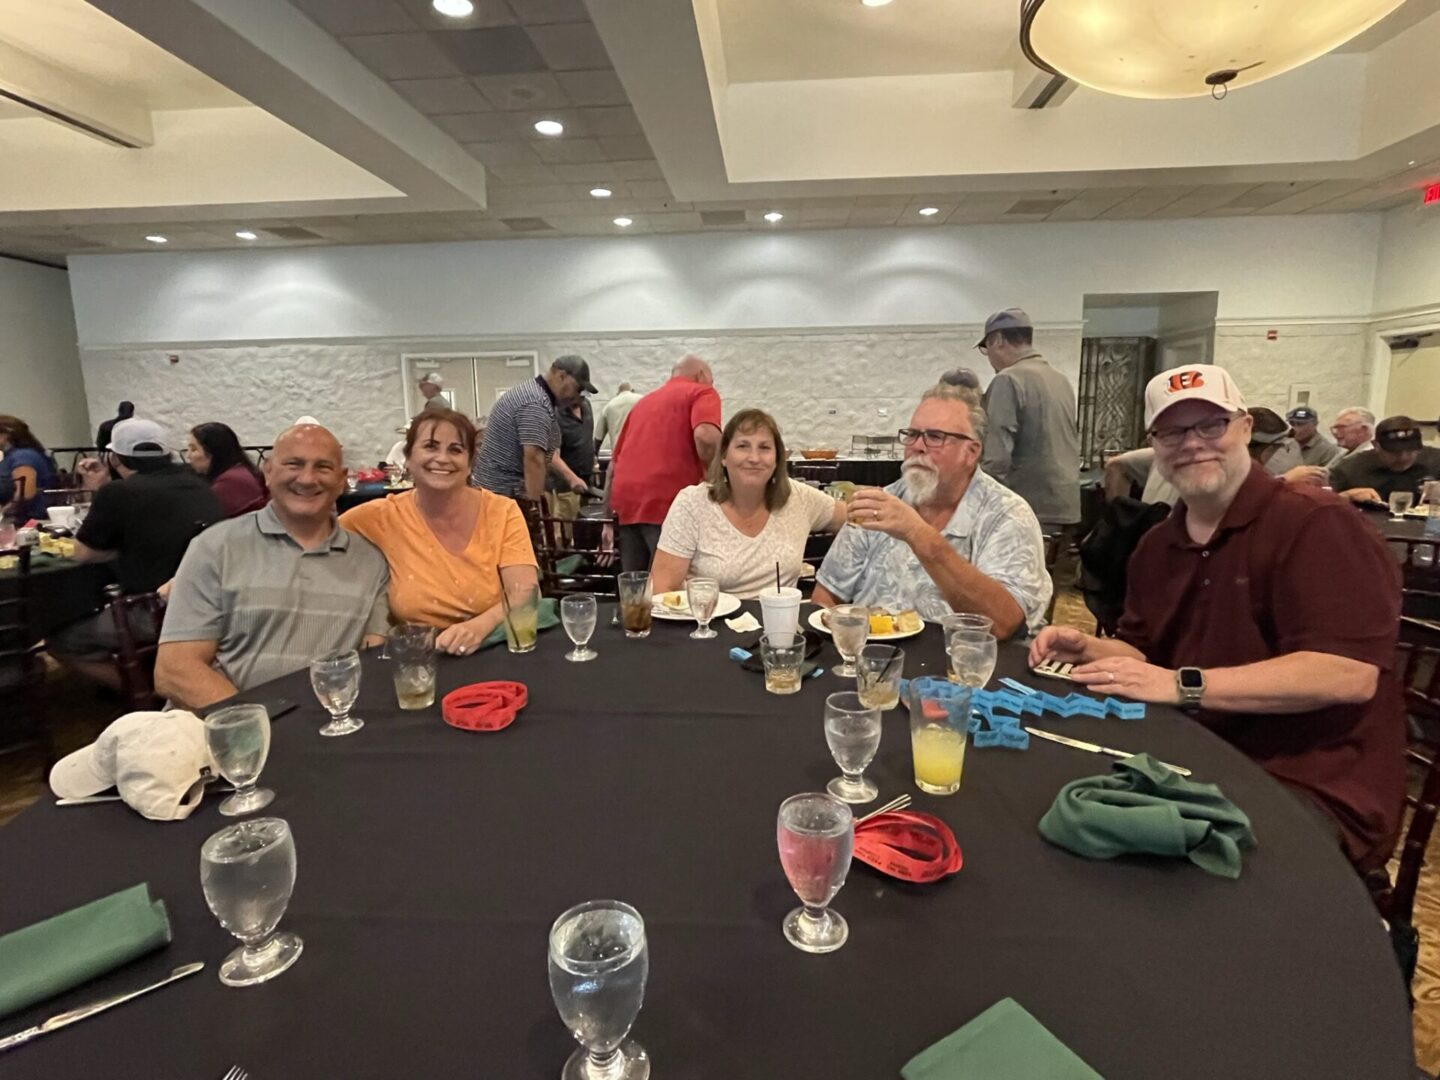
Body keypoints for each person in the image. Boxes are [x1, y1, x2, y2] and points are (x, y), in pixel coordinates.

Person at [1029, 363, 1403, 872]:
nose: (1193, 443)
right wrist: (1089, 648)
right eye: (1173, 430)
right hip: (1195, 760)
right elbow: (1145, 653)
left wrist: (1184, 686)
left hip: (1309, 785)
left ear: (1246, 430)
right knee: (1060, 827)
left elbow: (1348, 673)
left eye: (1212, 425)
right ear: (1155, 445)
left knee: (1149, 876)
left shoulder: (1317, 523)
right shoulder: (1160, 544)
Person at [155, 423, 391, 708]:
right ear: (267, 471)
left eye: (323, 467)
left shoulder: (369, 562)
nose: (306, 478)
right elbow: (174, 671)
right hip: (218, 726)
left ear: (342, 480)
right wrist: (259, 727)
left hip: (321, 729)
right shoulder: (215, 547)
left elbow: (374, 659)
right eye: (294, 464)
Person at [813, 384, 1052, 639]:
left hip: (959, 666)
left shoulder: (1006, 515)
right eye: (913, 434)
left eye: (935, 437)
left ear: (971, 452)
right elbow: (826, 595)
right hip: (868, 660)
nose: (918, 446)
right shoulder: (879, 502)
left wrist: (916, 532)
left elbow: (1003, 624)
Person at [340, 408, 538, 656]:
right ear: (408, 458)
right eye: (431, 446)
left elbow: (525, 592)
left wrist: (478, 627)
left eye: (455, 450)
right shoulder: (380, 517)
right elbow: (320, 535)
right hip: (419, 663)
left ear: (469, 463)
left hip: (495, 650)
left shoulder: (502, 512)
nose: (442, 458)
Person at [50, 418, 223, 688]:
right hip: (211, 600)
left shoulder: (119, 492)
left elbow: (83, 553)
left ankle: (149, 689)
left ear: (116, 458)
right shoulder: (198, 482)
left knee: (62, 639)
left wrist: (105, 491)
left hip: (154, 609)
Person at [651, 409, 846, 599]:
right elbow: (662, 588)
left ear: (777, 459)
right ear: (724, 457)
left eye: (764, 448)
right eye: (743, 446)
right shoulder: (692, 504)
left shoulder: (800, 498)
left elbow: (855, 519)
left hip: (779, 627)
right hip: (707, 626)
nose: (754, 458)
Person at [609, 356, 722, 572]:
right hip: (668, 501)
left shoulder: (643, 403)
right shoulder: (701, 391)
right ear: (701, 376)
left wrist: (608, 516)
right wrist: (717, 476)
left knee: (636, 586)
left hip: (627, 504)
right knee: (672, 586)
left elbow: (614, 465)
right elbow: (706, 437)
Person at [977, 308, 1081, 531]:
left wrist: (980, 506)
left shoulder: (1008, 380)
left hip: (1028, 508)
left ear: (997, 340)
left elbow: (997, 458)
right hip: (1066, 505)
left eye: (986, 349)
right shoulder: (1060, 379)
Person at [469, 355, 595, 502]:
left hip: (498, 491)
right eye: (577, 388)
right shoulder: (536, 403)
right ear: (561, 376)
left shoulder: (536, 395)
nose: (577, 395)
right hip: (502, 493)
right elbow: (534, 458)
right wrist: (535, 506)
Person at [1330, 416, 1440, 505]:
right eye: (1394, 452)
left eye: (1411, 451)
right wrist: (1347, 496)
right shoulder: (1350, 467)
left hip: (1426, 529)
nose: (1403, 458)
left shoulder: (1435, 461)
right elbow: (1323, 504)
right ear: (1376, 446)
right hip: (1367, 528)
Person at [185, 422, 268, 518]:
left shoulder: (231, 482)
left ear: (214, 451)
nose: (188, 456)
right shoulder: (238, 472)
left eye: (194, 449)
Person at [545, 393, 596, 521]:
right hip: (565, 488)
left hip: (586, 484)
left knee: (584, 532)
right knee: (567, 533)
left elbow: (587, 438)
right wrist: (572, 478)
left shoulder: (586, 406)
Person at [0, 415, 57, 524]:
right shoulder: (13, 456)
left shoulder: (23, 456)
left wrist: (4, 514)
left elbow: (25, 494)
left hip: (27, 521)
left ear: (6, 435)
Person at [595, 381, 642, 450]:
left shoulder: (609, 406)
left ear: (618, 393)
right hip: (640, 451)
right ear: (633, 391)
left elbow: (598, 437)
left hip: (619, 454)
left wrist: (595, 454)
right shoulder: (643, 400)